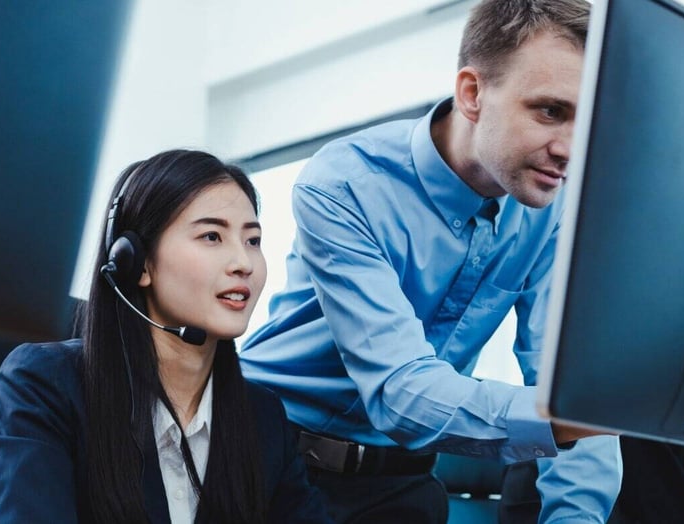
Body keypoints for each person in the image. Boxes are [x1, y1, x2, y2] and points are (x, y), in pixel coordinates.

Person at [238, 0, 621, 522]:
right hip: (266, 460)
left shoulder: (549, 213)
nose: (572, 149)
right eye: (551, 111)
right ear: (472, 94)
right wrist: (561, 417)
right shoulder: (344, 184)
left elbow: (572, 387)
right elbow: (399, 391)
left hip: (403, 479)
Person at [0, 149, 331, 523]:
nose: (243, 263)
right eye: (212, 236)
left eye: (252, 241)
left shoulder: (263, 419)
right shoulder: (48, 383)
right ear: (138, 262)